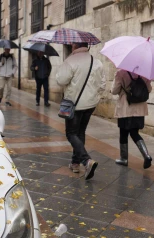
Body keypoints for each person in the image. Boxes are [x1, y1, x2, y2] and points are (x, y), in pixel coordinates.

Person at [56, 42, 106, 180]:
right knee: (80, 132)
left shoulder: (71, 60)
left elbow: (61, 80)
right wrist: (94, 97)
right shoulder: (96, 62)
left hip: (74, 104)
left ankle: (86, 161)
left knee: (71, 133)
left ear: (74, 46)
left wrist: (61, 71)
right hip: (90, 104)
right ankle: (75, 163)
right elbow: (102, 84)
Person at [111, 69, 153, 168]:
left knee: (123, 133)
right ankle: (146, 155)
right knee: (134, 133)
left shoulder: (121, 73)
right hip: (139, 108)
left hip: (126, 108)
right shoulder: (145, 73)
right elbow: (149, 90)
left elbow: (114, 90)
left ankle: (124, 158)